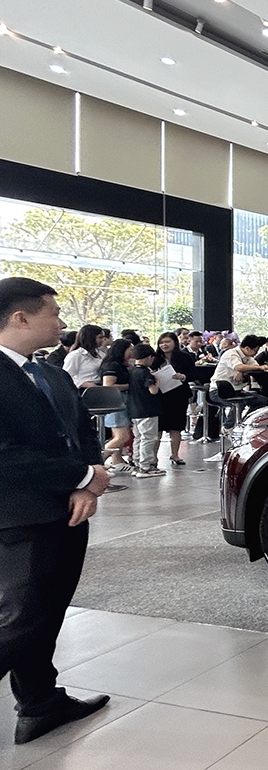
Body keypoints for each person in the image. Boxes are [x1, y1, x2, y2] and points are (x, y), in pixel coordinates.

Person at [0, 277, 111, 744]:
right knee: (20, 620)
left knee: (45, 614)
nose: (63, 322)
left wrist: (90, 480)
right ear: (21, 318)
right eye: (53, 313)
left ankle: (40, 704)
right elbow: (6, 456)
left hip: (67, 512)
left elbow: (83, 432)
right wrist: (80, 476)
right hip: (19, 515)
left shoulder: (54, 373)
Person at [211, 334, 268, 425]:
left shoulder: (248, 358)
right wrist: (247, 369)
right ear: (247, 348)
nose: (256, 354)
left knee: (263, 401)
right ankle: (228, 427)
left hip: (237, 391)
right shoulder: (231, 353)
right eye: (255, 351)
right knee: (239, 403)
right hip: (219, 391)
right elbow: (239, 367)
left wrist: (242, 371)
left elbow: (253, 367)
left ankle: (246, 422)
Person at [154, 332, 193, 466]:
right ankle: (153, 457)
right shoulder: (155, 358)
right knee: (158, 428)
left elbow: (194, 373)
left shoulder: (184, 357)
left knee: (176, 427)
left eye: (167, 342)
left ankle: (175, 455)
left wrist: (183, 377)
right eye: (161, 342)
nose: (164, 345)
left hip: (178, 395)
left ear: (174, 343)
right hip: (160, 396)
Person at [126, 343, 164, 478]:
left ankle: (137, 463)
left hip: (134, 410)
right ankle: (145, 466)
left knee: (138, 438)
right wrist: (157, 382)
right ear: (149, 357)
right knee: (149, 438)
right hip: (148, 410)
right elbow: (153, 391)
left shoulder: (132, 371)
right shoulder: (146, 373)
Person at [98, 339, 135, 475]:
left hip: (122, 402)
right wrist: (130, 386)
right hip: (116, 403)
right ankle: (98, 461)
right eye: (130, 349)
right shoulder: (111, 366)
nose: (132, 352)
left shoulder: (121, 365)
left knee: (119, 435)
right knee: (121, 436)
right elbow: (108, 385)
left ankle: (117, 460)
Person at [62, 324, 104, 389]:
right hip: (83, 388)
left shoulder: (101, 354)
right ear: (91, 338)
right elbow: (66, 376)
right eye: (100, 337)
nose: (103, 340)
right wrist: (81, 383)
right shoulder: (76, 355)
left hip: (99, 386)